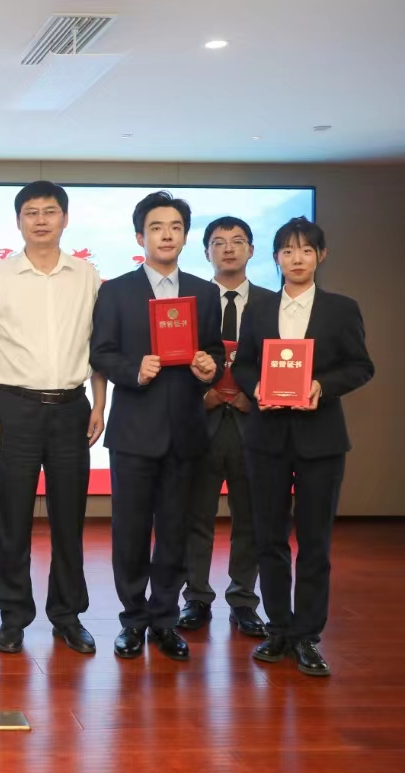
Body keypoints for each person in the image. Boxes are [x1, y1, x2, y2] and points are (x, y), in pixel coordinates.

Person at [233, 217, 374, 676]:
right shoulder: (258, 309)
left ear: (321, 255)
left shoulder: (341, 309)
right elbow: (245, 364)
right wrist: (256, 386)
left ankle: (308, 636)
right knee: (269, 538)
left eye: (306, 250)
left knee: (315, 542)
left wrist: (321, 386)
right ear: (276, 257)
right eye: (288, 251)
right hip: (266, 438)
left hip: (321, 440)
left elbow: (360, 366)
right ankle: (278, 629)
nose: (297, 259)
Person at [90, 191, 224, 661]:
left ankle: (165, 620)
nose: (167, 235)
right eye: (156, 227)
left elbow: (214, 351)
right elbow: (101, 352)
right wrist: (134, 369)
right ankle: (133, 620)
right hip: (133, 432)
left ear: (185, 236)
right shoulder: (116, 291)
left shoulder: (204, 292)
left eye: (175, 227)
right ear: (139, 237)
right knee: (129, 531)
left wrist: (210, 367)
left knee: (174, 531)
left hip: (186, 431)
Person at [0, 181, 107, 655]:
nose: (41, 220)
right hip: (15, 408)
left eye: (50, 211)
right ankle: (13, 615)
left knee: (69, 518)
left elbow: (98, 345)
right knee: (12, 518)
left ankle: (67, 615)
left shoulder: (87, 275)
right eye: (31, 212)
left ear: (65, 219)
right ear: (18, 221)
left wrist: (100, 402)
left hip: (72, 407)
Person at [177, 216, 266, 637]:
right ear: (206, 252)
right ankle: (196, 597)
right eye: (218, 242)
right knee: (196, 514)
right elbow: (175, 360)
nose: (228, 248)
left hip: (255, 423)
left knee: (250, 516)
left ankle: (244, 600)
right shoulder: (190, 302)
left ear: (252, 250)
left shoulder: (272, 303)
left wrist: (259, 398)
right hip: (203, 421)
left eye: (238, 241)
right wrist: (201, 397)